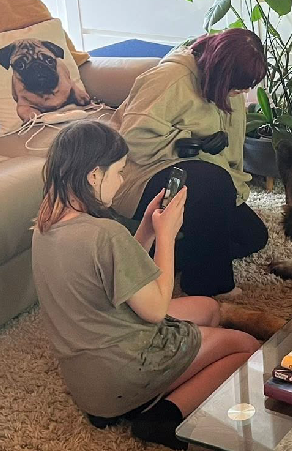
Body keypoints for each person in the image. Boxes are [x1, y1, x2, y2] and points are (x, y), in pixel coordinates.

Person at [31, 120, 260, 449]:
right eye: (120, 171)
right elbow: (153, 308)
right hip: (123, 376)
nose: (123, 180)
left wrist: (149, 231)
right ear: (94, 175)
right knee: (243, 346)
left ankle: (160, 392)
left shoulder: (45, 225)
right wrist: (167, 237)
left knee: (209, 309)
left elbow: (120, 274)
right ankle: (164, 416)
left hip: (87, 377)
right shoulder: (105, 234)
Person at [111, 28, 269, 297]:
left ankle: (161, 257)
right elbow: (129, 143)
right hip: (136, 177)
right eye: (237, 86)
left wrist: (236, 196)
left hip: (198, 175)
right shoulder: (169, 79)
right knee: (212, 184)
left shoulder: (230, 92)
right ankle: (207, 286)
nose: (242, 92)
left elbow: (232, 159)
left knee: (253, 237)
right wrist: (188, 142)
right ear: (221, 73)